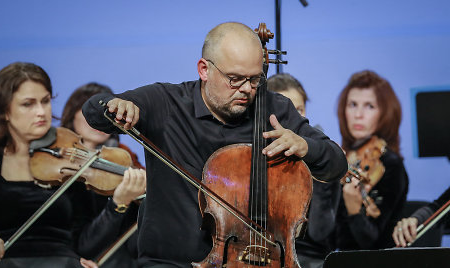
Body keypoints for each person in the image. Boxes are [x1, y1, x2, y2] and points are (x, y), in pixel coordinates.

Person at [82, 22, 348, 267]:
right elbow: (94, 109)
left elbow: (336, 163)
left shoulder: (275, 109)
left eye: (254, 80)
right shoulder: (166, 103)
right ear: (204, 69)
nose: (246, 89)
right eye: (235, 79)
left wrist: (305, 146)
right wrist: (116, 106)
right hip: (168, 263)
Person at [0, 62, 145, 267]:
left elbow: (84, 245)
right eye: (28, 104)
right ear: (5, 110)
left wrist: (117, 203)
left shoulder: (73, 160)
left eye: (45, 101)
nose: (41, 112)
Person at [61, 82, 146, 267]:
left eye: (107, 114)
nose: (98, 119)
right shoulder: (59, 166)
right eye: (89, 112)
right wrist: (118, 204)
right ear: (71, 113)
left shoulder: (124, 156)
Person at [268, 73, 341, 268]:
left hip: (310, 260)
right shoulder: (253, 155)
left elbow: (320, 231)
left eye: (300, 109)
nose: (295, 118)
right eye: (286, 110)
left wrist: (323, 177)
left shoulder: (322, 155)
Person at [335, 70, 409, 250]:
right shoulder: (342, 158)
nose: (358, 114)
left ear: (385, 113)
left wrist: (354, 210)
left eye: (369, 106)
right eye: (352, 104)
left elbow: (373, 242)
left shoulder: (391, 165)